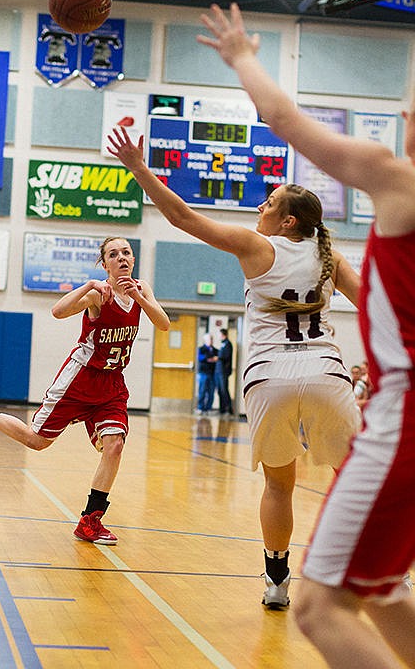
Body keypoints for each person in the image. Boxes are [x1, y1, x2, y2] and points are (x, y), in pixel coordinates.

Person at [196, 2, 415, 667]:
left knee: (321, 609)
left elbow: (283, 121)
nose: (405, 114)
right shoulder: (333, 253)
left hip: (400, 416)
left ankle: (275, 574)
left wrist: (241, 57)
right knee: (378, 589)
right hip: (364, 391)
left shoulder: (396, 179)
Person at [107, 128, 361, 610]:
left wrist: (139, 167)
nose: (259, 209)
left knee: (279, 485)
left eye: (268, 204)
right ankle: (375, 571)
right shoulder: (331, 255)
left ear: (287, 222)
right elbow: (376, 303)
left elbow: (182, 216)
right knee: (355, 477)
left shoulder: (255, 246)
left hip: (269, 379)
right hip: (329, 374)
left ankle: (277, 581)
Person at [0, 236, 170, 545]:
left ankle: (90, 521)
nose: (122, 258)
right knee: (37, 441)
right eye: (113, 254)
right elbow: (58, 311)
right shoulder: (99, 295)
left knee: (115, 446)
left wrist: (142, 299)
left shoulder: (142, 289)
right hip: (80, 379)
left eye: (126, 252)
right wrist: (89, 285)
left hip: (112, 384)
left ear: (133, 259)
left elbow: (164, 323)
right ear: (104, 264)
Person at [196, 332, 218, 414]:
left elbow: (218, 359)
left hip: (212, 374)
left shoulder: (216, 350)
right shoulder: (201, 349)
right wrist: (211, 359)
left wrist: (211, 359)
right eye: (209, 339)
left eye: (212, 339)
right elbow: (201, 358)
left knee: (211, 392)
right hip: (203, 373)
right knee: (202, 391)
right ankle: (200, 408)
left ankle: (208, 408)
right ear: (205, 340)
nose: (211, 341)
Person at [215, 328, 233, 416]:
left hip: (223, 371)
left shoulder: (228, 344)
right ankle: (221, 409)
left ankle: (228, 409)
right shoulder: (222, 344)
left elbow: (225, 356)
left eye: (219, 334)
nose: (218, 336)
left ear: (223, 334)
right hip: (219, 371)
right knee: (220, 391)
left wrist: (217, 358)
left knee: (224, 390)